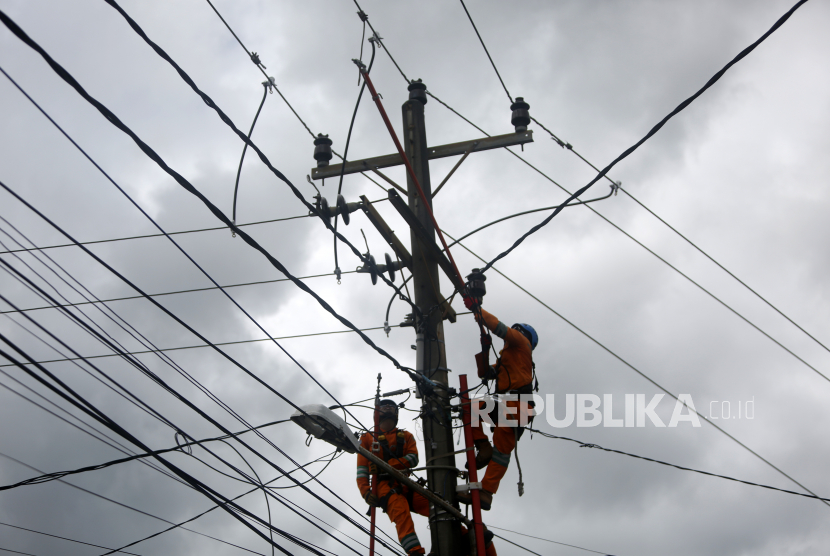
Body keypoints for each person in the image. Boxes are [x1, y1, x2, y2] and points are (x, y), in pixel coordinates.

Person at [357, 399, 497, 555]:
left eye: (391, 406)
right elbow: (361, 470)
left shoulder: (405, 436)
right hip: (383, 485)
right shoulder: (367, 438)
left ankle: (465, 534)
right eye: (384, 406)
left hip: (404, 482)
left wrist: (387, 464)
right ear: (377, 413)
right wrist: (366, 492)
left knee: (437, 505)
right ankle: (415, 552)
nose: (388, 408)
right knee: (400, 512)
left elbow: (413, 458)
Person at [458, 298, 538, 511]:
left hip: (517, 404)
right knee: (472, 409)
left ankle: (486, 489)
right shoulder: (508, 360)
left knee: (502, 449)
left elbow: (499, 327)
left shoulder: (522, 344)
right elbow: (485, 373)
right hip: (508, 404)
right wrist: (484, 350)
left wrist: (477, 310)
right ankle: (484, 451)